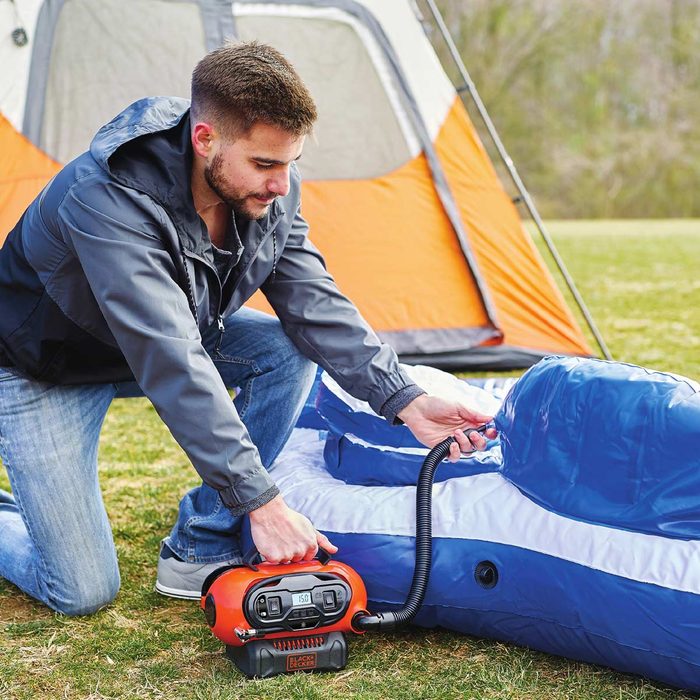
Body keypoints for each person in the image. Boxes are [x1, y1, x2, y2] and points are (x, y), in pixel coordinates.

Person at [0, 42, 496, 615]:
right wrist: (262, 502)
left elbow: (315, 303)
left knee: (285, 350)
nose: (282, 184)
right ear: (204, 138)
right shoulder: (104, 198)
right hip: (46, 366)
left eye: (291, 162)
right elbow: (171, 358)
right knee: (80, 591)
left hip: (158, 342)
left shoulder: (268, 192)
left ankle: (199, 544)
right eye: (265, 164)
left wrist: (402, 398)